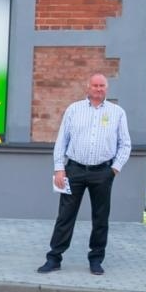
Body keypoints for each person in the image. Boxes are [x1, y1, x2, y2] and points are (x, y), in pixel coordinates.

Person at [40, 72, 131, 276]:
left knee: (100, 217)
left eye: (102, 86)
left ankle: (96, 259)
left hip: (102, 172)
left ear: (106, 89)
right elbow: (61, 140)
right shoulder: (74, 109)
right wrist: (59, 168)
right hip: (74, 170)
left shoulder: (117, 112)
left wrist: (114, 169)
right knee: (65, 216)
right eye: (95, 85)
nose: (99, 89)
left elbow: (125, 144)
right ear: (87, 87)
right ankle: (54, 258)